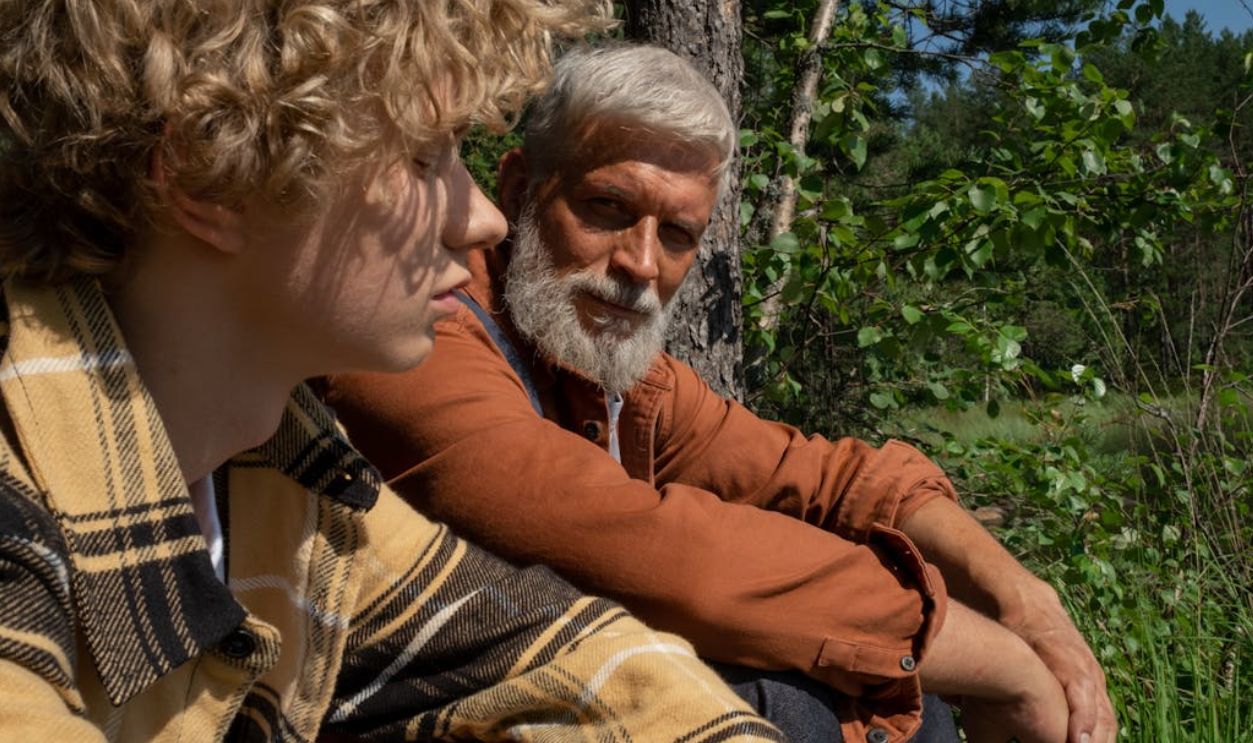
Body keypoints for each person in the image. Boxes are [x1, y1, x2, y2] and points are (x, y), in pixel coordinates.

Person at [0, 6, 786, 741]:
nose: (481, 219)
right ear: (214, 174)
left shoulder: (283, 476)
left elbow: (566, 650)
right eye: (423, 156)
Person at [321, 44, 1119, 743]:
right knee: (786, 702)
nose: (639, 264)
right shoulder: (414, 334)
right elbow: (650, 553)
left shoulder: (614, 373)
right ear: (521, 185)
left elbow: (835, 477)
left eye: (676, 235)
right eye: (607, 208)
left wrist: (1025, 601)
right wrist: (990, 658)